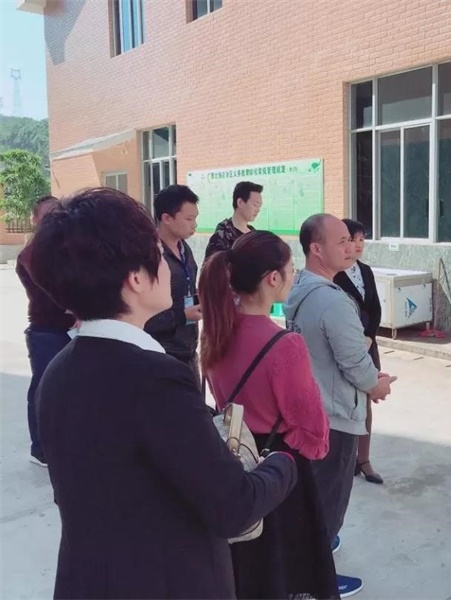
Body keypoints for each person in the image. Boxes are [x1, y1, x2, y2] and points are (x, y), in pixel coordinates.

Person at [27, 187, 297, 599]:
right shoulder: (156, 379)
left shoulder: (58, 371)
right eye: (157, 255)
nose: (167, 267)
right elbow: (234, 506)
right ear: (136, 279)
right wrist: (282, 465)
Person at [200, 231, 339, 599]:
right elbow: (314, 432)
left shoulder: (215, 331)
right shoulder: (284, 344)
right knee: (284, 570)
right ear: (273, 278)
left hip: (234, 457)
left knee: (247, 570)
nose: (293, 277)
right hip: (277, 465)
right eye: (291, 269)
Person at [284, 214, 396, 598]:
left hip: (310, 408)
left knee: (312, 500)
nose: (351, 247)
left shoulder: (299, 288)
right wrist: (376, 385)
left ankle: (312, 558)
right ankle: (313, 584)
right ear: (316, 249)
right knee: (328, 503)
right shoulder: (333, 301)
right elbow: (356, 365)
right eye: (342, 241)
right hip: (334, 417)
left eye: (352, 240)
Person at [15, 195, 74, 467]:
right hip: (47, 331)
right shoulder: (31, 254)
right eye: (48, 215)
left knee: (70, 391)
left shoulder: (67, 249)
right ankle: (40, 449)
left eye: (58, 214)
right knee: (43, 390)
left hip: (73, 329)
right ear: (35, 220)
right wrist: (78, 307)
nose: (54, 219)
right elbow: (52, 289)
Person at [334, 219, 384, 485]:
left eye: (362, 239)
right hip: (345, 346)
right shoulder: (333, 274)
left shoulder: (365, 270)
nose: (357, 245)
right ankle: (345, 458)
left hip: (367, 345)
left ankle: (363, 459)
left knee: (365, 401)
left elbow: (375, 308)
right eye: (352, 239)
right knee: (344, 401)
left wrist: (370, 336)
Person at [144, 184, 202, 385]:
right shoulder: (150, 255)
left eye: (195, 218)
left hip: (189, 350)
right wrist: (182, 316)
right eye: (189, 219)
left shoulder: (185, 249)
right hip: (161, 353)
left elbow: (187, 291)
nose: (194, 225)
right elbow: (143, 315)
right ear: (167, 218)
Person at [204, 181, 263, 262]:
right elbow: (210, 267)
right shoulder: (222, 235)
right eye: (255, 205)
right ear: (240, 202)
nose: (258, 210)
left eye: (259, 206)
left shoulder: (253, 234)